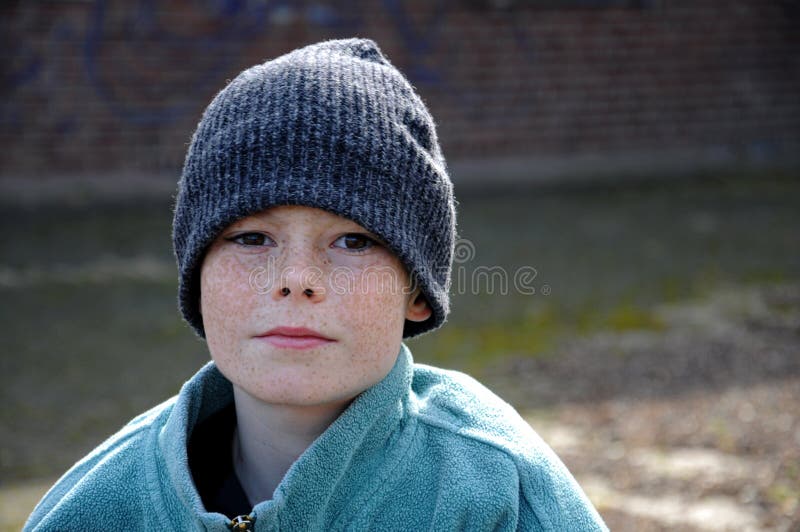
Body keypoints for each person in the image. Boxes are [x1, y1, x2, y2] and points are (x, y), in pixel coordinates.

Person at [25, 38, 607, 531]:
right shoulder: (96, 507)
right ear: (197, 277)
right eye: (252, 238)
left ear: (418, 291)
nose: (296, 279)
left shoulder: (498, 491)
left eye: (353, 241)